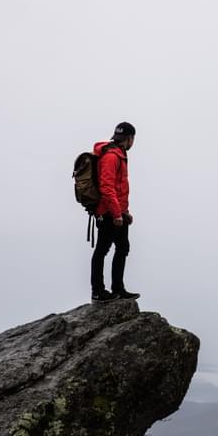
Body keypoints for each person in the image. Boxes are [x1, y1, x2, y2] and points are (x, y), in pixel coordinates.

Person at [90, 122, 141, 302]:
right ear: (129, 138)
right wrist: (117, 213)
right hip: (108, 212)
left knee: (122, 248)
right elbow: (107, 187)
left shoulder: (119, 155)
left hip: (117, 212)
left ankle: (118, 289)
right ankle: (98, 291)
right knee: (102, 250)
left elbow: (119, 188)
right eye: (133, 138)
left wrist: (124, 212)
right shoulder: (111, 156)